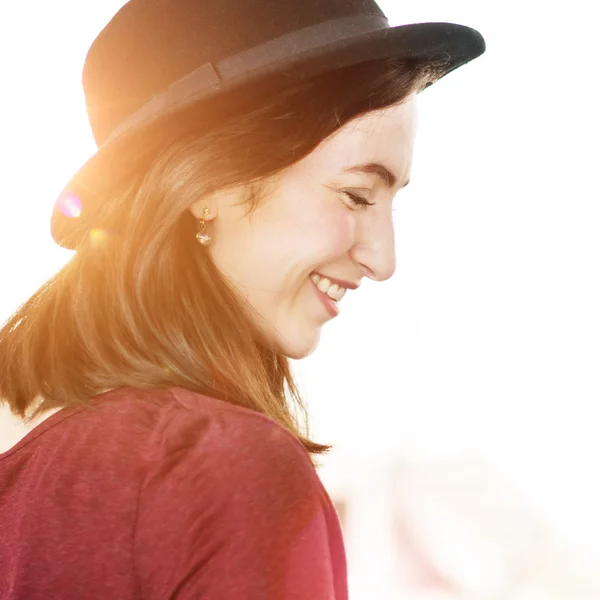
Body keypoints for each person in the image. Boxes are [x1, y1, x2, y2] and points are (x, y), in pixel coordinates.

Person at [0, 0, 485, 598]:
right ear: (213, 183)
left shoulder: (31, 455)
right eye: (357, 196)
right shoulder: (222, 468)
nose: (383, 260)